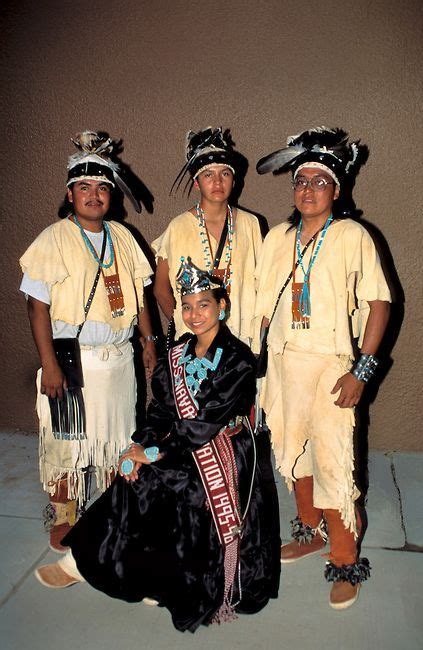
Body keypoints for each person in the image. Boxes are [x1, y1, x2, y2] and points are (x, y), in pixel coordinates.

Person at [33, 258, 280, 633]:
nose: (194, 314)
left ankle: (127, 571)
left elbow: (202, 426)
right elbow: (162, 409)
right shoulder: (179, 352)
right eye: (187, 306)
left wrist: (151, 454)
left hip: (223, 450)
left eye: (204, 304)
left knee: (155, 477)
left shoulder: (238, 360)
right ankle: (90, 563)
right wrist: (142, 444)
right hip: (183, 443)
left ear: (222, 306)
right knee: (131, 473)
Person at [254, 127, 391, 609]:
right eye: (300, 180)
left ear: (337, 189)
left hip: (333, 365)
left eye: (319, 180)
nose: (308, 189)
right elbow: (261, 305)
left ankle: (346, 557)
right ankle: (309, 531)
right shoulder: (278, 237)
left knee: (333, 463)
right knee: (294, 456)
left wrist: (362, 372)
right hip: (284, 364)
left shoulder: (353, 235)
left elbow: (379, 303)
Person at [19, 131, 157, 552]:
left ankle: (113, 506)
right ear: (70, 192)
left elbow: (140, 294)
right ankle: (64, 510)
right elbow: (36, 307)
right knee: (68, 436)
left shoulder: (123, 237)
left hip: (118, 358)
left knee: (118, 435)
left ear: (111, 195)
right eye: (84, 187)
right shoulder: (53, 238)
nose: (93, 195)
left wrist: (149, 340)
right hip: (71, 356)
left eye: (101, 187)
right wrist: (50, 364)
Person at [153, 126, 262, 346]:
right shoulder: (179, 226)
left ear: (234, 180)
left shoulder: (250, 224)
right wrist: (186, 322)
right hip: (195, 342)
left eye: (225, 174)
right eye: (208, 175)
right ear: (196, 182)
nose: (218, 182)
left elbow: (262, 283)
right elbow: (161, 288)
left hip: (239, 340)